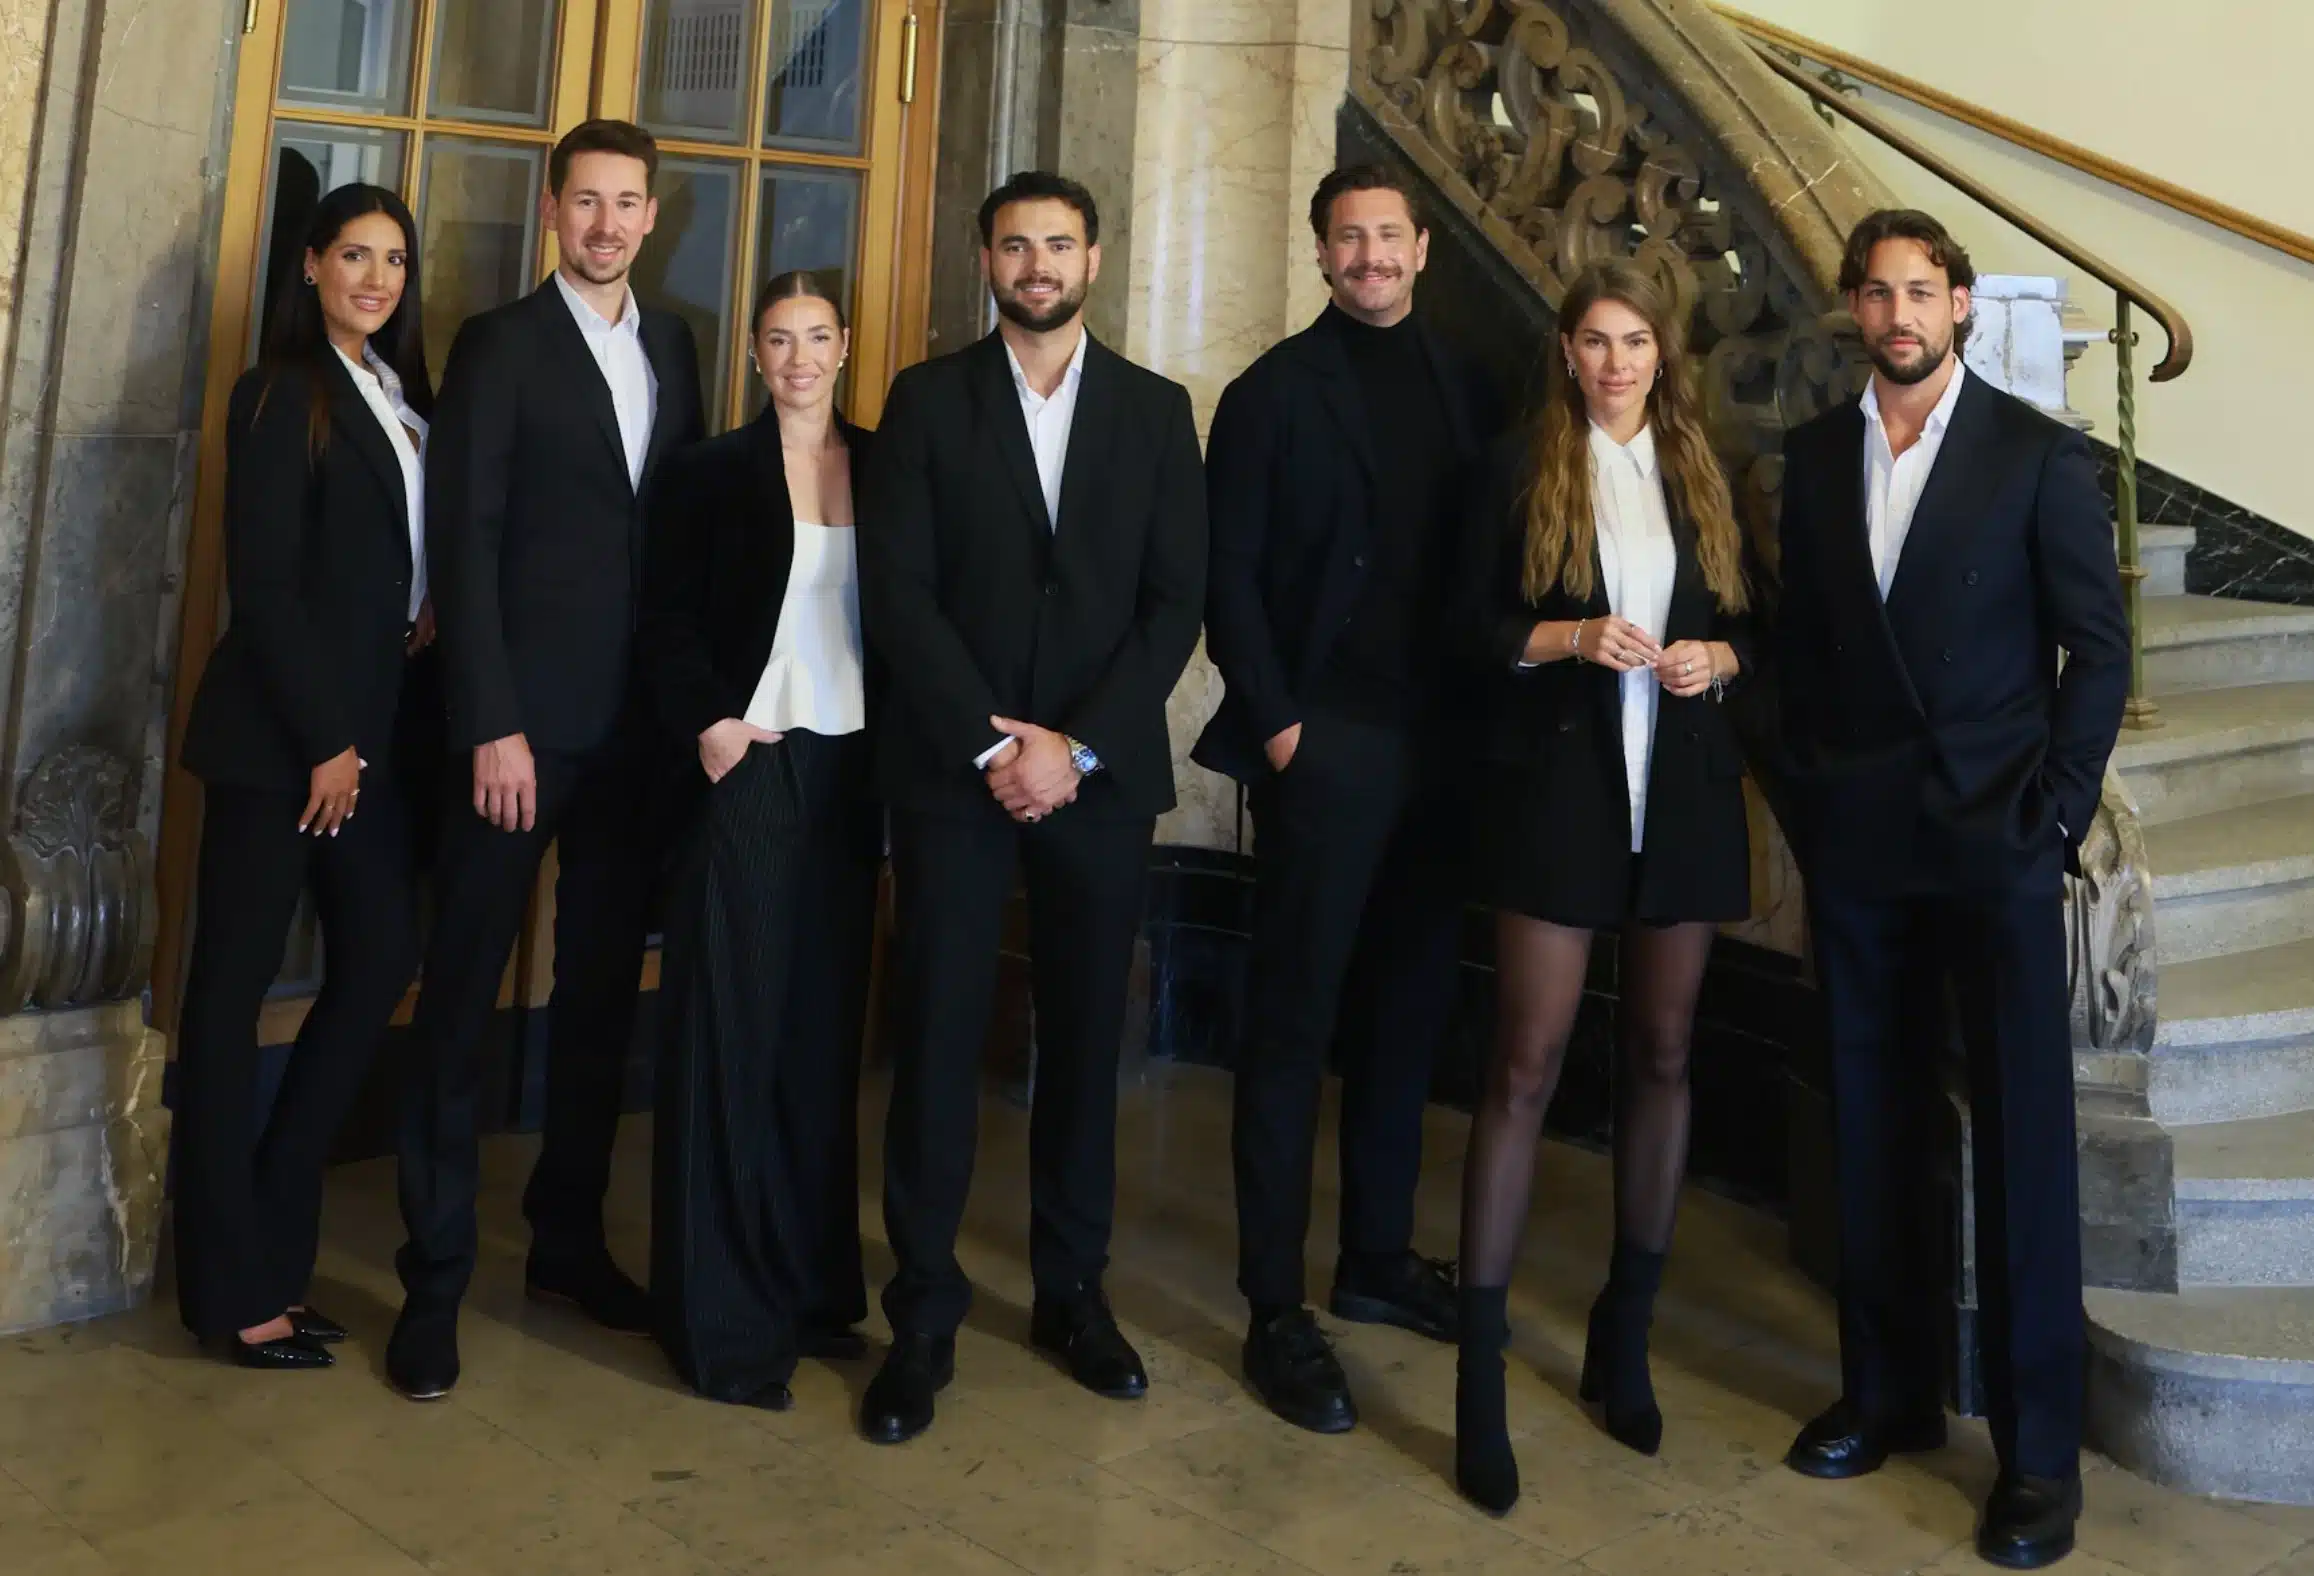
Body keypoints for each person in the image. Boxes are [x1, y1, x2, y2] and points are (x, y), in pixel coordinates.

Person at [1776, 209, 2127, 1570]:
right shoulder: (1816, 457)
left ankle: (2037, 1458)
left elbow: (2095, 651)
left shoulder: (2035, 455)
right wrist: (1811, 797)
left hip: (1993, 840)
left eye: (1920, 290)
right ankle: (1887, 1393)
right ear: (1854, 311)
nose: (1898, 314)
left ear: (1961, 305)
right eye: (1877, 293)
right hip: (1862, 843)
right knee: (1871, 1118)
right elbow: (1802, 647)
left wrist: (2054, 815)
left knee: (2022, 1142)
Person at [855, 170, 1207, 1446]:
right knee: (938, 1042)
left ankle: (1073, 1294)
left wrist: (1077, 748)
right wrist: (992, 743)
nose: (1038, 264)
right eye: (1016, 245)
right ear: (986, 261)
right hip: (956, 777)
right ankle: (922, 1316)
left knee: (1084, 1043)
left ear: (1093, 260)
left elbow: (1175, 600)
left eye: (1058, 244)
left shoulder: (1157, 410)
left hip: (1096, 783)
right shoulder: (925, 398)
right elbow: (898, 591)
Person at [388, 119, 706, 1401]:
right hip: (516, 732)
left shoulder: (674, 344)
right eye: (587, 202)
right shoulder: (500, 343)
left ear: (650, 216)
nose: (607, 224)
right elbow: (462, 540)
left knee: (597, 1001)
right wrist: (490, 719)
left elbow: (679, 537)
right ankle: (433, 1284)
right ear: (553, 211)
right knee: (462, 996)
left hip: (637, 739)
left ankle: (567, 1242)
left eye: (628, 203)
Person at [1192, 165, 1496, 1434]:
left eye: (1387, 235)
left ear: (1421, 249)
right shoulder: (1271, 393)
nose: (1368, 255)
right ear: (1320, 254)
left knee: (1406, 1015)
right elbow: (1226, 575)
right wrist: (1280, 729)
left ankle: (1374, 1256)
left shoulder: (1473, 383)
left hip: (1444, 751)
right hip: (1326, 745)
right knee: (1292, 1024)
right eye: (1346, 238)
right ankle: (1273, 1304)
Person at [1450, 260, 1757, 1513]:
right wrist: (1571, 638)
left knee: (1665, 1052)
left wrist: (1716, 655)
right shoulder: (1520, 466)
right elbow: (1461, 629)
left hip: (1678, 796)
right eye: (1594, 340)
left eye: (1634, 340)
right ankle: (1477, 1375)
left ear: (1661, 353)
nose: (1615, 361)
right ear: (1566, 352)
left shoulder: (1702, 470)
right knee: (1524, 1064)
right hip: (1559, 797)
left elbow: (1759, 626)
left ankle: (1622, 1334)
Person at [174, 182, 435, 1368]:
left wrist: (419, 610)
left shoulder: (397, 393)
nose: (377, 278)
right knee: (227, 1003)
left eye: (394, 260)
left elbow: (381, 557)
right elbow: (266, 584)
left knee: (380, 956)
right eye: (356, 256)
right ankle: (227, 1293)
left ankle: (275, 1243)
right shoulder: (280, 391)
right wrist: (327, 737)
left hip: (366, 736)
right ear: (312, 266)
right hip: (280, 744)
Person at [640, 271, 880, 1411]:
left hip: (852, 774)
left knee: (819, 1040)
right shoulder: (709, 473)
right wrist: (712, 725)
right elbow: (663, 616)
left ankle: (809, 1290)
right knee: (729, 1034)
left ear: (845, 346)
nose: (799, 358)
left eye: (816, 337)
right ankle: (721, 1325)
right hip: (750, 763)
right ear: (752, 353)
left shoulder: (883, 465)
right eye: (778, 339)